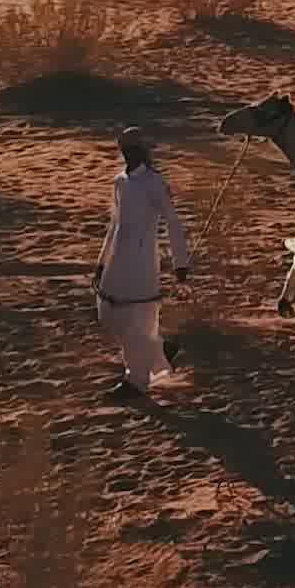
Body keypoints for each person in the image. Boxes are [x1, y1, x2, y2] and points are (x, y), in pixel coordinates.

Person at [97, 129, 191, 402]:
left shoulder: (154, 183)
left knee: (137, 320)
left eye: (134, 148)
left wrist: (180, 261)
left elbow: (173, 222)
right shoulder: (120, 182)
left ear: (142, 150)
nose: (129, 153)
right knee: (110, 315)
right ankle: (161, 350)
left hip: (141, 262)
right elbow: (113, 225)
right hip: (117, 259)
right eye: (125, 148)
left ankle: (136, 382)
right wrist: (101, 261)